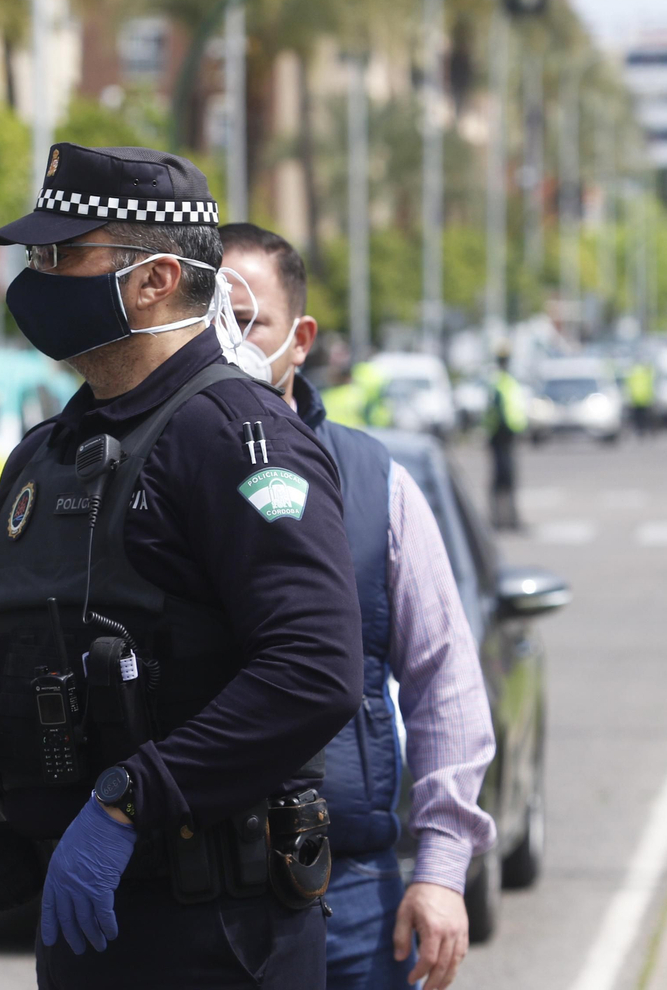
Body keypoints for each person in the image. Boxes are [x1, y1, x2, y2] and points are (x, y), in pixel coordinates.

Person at [0, 143, 363, 989]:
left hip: (220, 935)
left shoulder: (235, 440)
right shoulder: (46, 457)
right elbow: (10, 662)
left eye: (64, 254)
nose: (37, 278)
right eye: (36, 256)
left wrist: (129, 801)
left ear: (156, 279)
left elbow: (314, 670)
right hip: (86, 927)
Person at [221, 223, 497, 990]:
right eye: (208, 321)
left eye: (248, 323)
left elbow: (445, 681)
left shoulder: (375, 484)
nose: (226, 343)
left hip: (345, 891)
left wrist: (441, 869)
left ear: (300, 338)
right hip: (185, 897)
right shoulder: (150, 480)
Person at [484, 350, 527, 531]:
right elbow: (496, 412)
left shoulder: (505, 382)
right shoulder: (500, 382)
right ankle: (501, 518)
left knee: (507, 479)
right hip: (500, 437)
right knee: (502, 479)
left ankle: (508, 518)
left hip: (507, 436)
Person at [625, 359, 655, 437]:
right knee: (644, 417)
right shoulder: (646, 372)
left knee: (638, 418)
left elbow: (628, 385)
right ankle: (645, 431)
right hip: (645, 398)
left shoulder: (632, 372)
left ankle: (640, 431)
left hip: (637, 398)